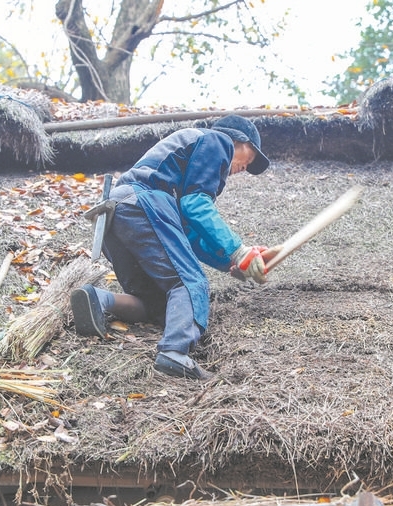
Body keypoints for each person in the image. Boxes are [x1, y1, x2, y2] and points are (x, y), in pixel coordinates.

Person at [70, 114, 279, 380]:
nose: (246, 166)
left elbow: (188, 235)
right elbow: (196, 205)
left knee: (160, 302)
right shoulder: (217, 141)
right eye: (250, 157)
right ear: (240, 139)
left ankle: (98, 299)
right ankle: (175, 354)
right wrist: (240, 250)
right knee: (189, 283)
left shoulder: (185, 165)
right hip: (144, 204)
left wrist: (232, 263)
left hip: (117, 215)